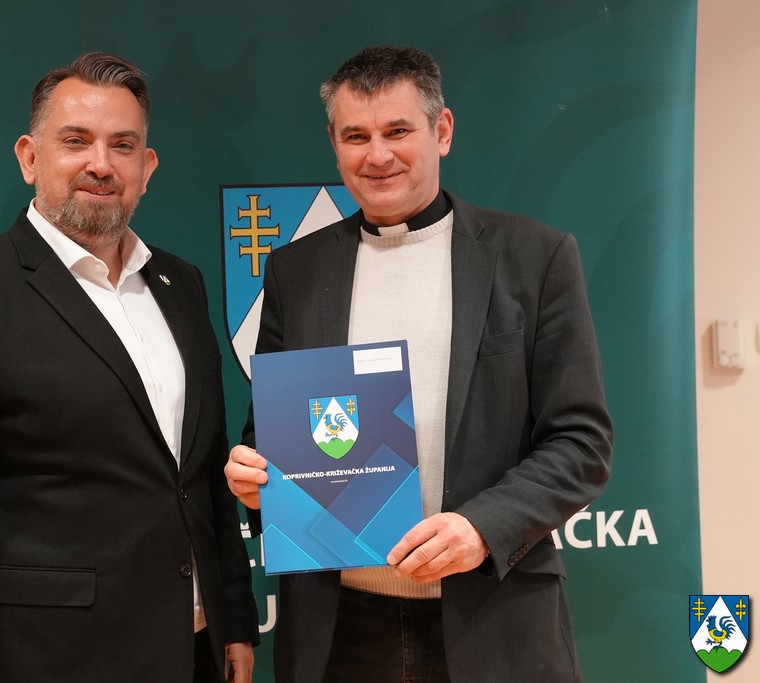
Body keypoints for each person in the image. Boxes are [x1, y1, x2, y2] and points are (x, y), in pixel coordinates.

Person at [225, 45, 613, 682]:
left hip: (492, 621)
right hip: (338, 631)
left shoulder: (535, 258)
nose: (377, 155)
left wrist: (480, 528)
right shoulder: (297, 272)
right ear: (334, 144)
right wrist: (256, 479)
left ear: (442, 130)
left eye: (398, 130)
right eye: (356, 136)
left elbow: (581, 443)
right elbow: (268, 437)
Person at [0, 52, 258, 682]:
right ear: (30, 157)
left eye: (122, 145)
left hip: (190, 649)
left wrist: (234, 617)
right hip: (47, 660)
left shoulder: (179, 283)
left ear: (146, 168)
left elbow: (200, 475)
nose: (100, 164)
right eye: (75, 141)